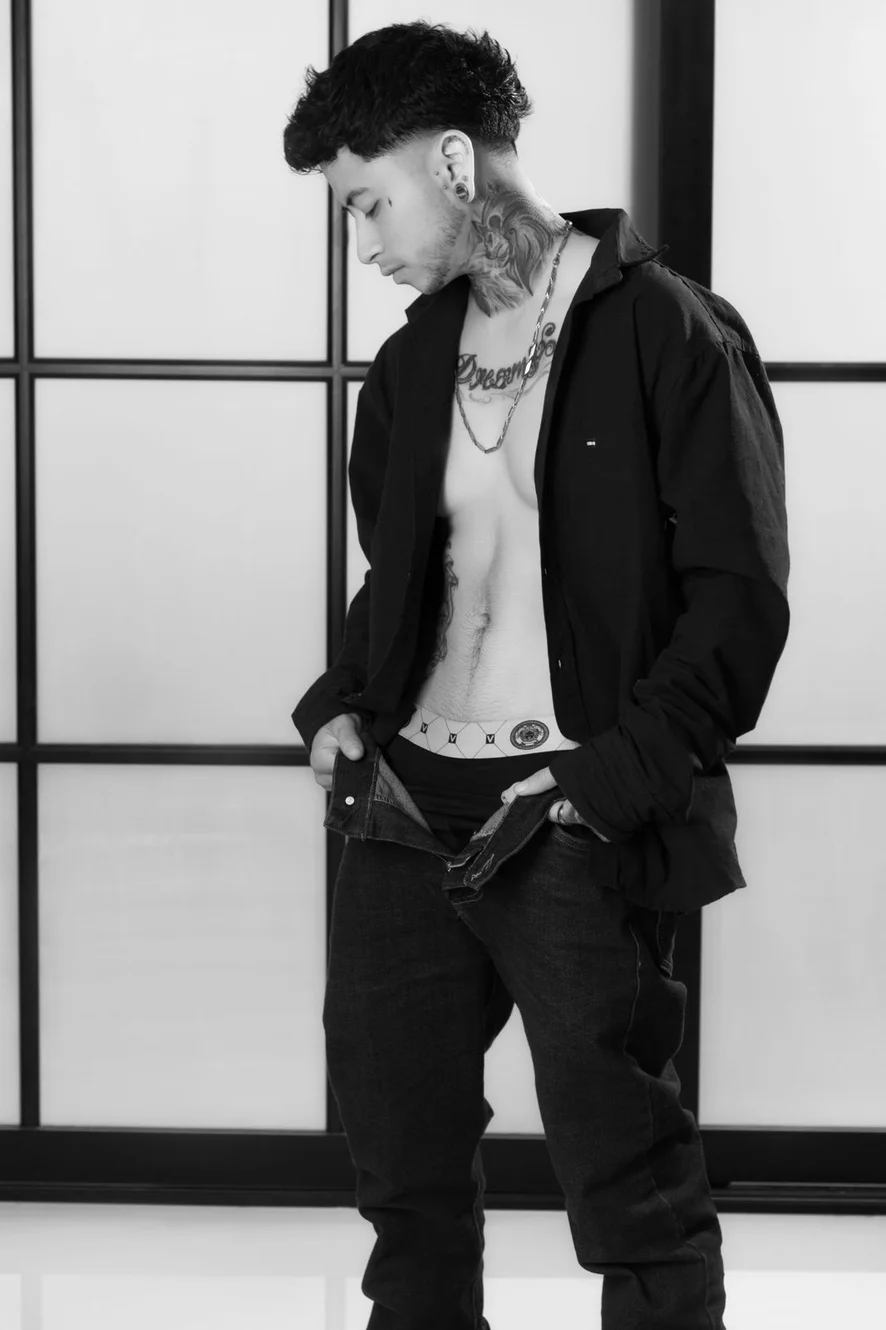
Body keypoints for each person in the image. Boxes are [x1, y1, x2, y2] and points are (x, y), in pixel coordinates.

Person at [283, 20, 789, 1330]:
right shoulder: (408, 368)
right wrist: (342, 703)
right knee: (401, 1171)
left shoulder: (670, 332)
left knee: (629, 1185)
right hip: (405, 809)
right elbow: (406, 589)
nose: (361, 243)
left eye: (367, 203)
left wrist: (608, 782)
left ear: (454, 161)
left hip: (569, 810)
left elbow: (738, 603)